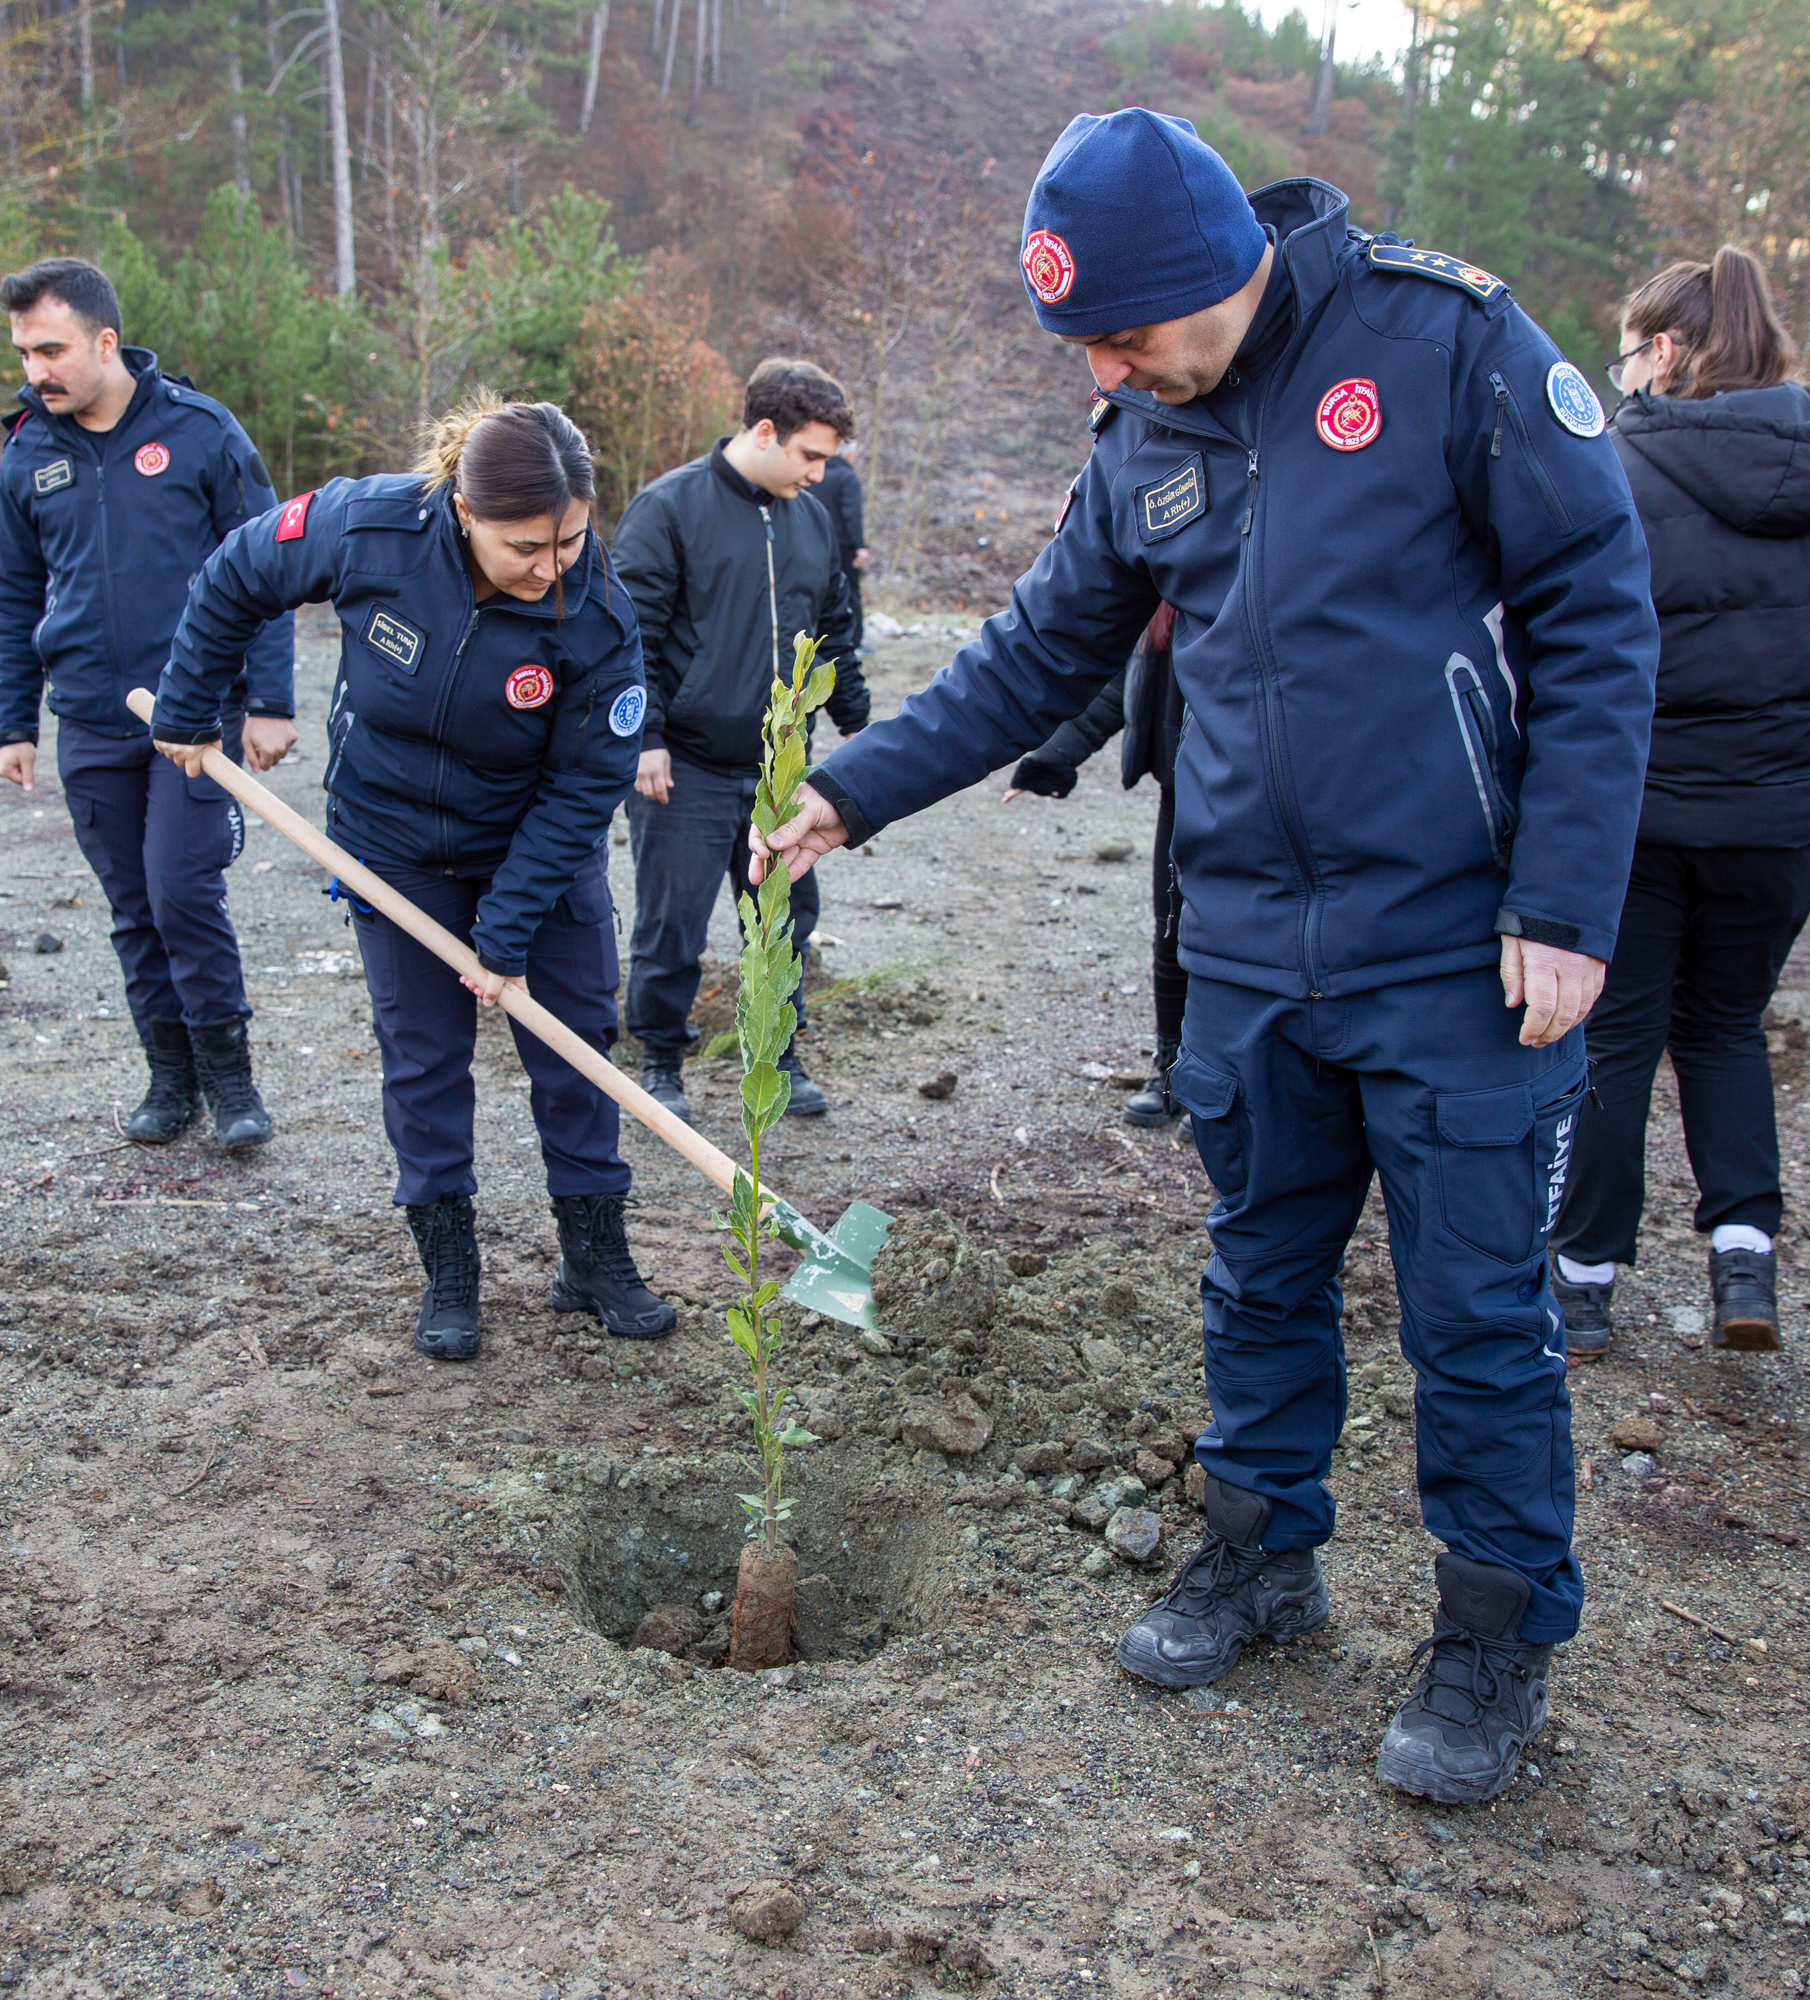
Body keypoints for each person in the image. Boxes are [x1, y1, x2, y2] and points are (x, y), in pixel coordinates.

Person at [751, 113, 1657, 1804]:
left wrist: (1567, 901)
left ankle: (1492, 1638)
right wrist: (851, 794)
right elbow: (1036, 656)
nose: (1104, 366)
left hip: (1459, 948)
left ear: (1214, 271)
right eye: (1081, 344)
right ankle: (1259, 1556)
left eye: (1120, 333)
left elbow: (1601, 608)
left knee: (1475, 1318)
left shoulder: (1442, 344)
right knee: (1257, 1280)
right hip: (1245, 947)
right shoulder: (1141, 433)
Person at [151, 397, 677, 1361]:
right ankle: (451, 1273)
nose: (551, 567)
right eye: (527, 546)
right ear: (464, 510)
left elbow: (587, 782)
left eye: (569, 539)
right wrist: (190, 705)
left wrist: (509, 927)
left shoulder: (597, 610)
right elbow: (237, 572)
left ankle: (594, 1259)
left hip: (537, 848)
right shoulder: (371, 525)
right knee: (424, 1057)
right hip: (393, 846)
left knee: (576, 1047)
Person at [1544, 247, 1810, 1362]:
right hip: (1787, 818)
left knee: (1615, 1034)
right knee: (1723, 1028)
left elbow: (1562, 649)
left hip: (1642, 814)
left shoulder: (1615, 466)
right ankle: (1742, 1258)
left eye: (1630, 345)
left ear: (1666, 348)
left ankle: (1583, 1281)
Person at [0, 256, 294, 1151]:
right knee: (132, 904)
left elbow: (269, 562)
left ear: (105, 341)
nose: (34, 370)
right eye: (23, 351)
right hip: (87, 716)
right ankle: (171, 1079)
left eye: (51, 349)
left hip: (195, 714)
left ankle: (232, 1084)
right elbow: (13, 594)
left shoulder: (200, 433)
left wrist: (270, 697)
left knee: (181, 889)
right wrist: (13, 723)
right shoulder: (28, 453)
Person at [615, 358, 870, 1127]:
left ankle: (776, 1058)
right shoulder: (669, 508)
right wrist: (646, 734)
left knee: (783, 918)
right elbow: (631, 636)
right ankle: (662, 1060)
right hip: (684, 766)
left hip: (778, 771)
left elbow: (834, 633)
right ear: (765, 431)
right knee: (672, 923)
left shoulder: (812, 519)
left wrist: (860, 725)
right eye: (810, 455)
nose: (820, 475)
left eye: (827, 459)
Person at [1002, 601, 1188, 1125]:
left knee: (1236, 948)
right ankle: (1173, 1073)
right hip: (1180, 792)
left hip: (1248, 799)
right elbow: (1125, 682)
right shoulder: (1168, 592)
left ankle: (1236, 1085)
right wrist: (1055, 755)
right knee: (1171, 937)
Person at [809, 437, 869, 658]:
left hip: (815, 542)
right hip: (843, 546)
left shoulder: (815, 474)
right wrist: (859, 546)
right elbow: (851, 514)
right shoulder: (846, 476)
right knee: (850, 593)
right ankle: (854, 642)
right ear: (848, 454)